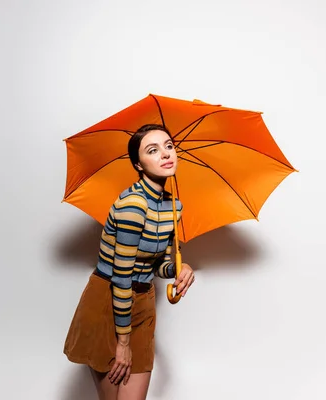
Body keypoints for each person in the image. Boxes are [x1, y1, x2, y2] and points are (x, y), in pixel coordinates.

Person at [63, 123, 196, 399]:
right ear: (138, 163)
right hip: (108, 301)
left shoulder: (173, 206)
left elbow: (153, 264)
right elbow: (122, 275)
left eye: (169, 146)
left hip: (143, 302)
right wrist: (123, 342)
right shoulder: (133, 205)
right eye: (153, 149)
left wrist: (178, 269)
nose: (165, 154)